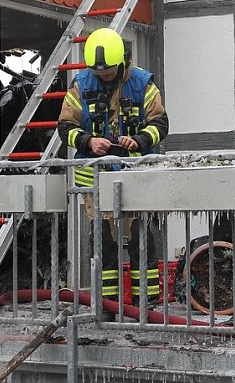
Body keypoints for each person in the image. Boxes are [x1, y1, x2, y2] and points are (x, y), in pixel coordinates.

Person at [57, 27, 169, 304]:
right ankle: (107, 305)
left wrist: (140, 140)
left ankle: (147, 303)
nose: (103, 77)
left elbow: (161, 124)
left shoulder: (143, 84)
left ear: (122, 61)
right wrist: (87, 141)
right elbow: (64, 127)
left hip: (136, 175)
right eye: (99, 73)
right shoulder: (81, 84)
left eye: (107, 72)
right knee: (102, 242)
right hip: (95, 178)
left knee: (143, 238)